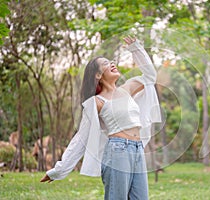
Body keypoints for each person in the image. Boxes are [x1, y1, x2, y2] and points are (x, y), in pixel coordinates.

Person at [40, 36, 161, 200]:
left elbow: (150, 76)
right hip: (118, 151)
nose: (112, 63)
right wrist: (58, 170)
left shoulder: (128, 89)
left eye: (111, 61)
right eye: (105, 63)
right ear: (97, 74)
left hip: (138, 149)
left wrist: (136, 49)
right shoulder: (96, 102)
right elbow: (81, 138)